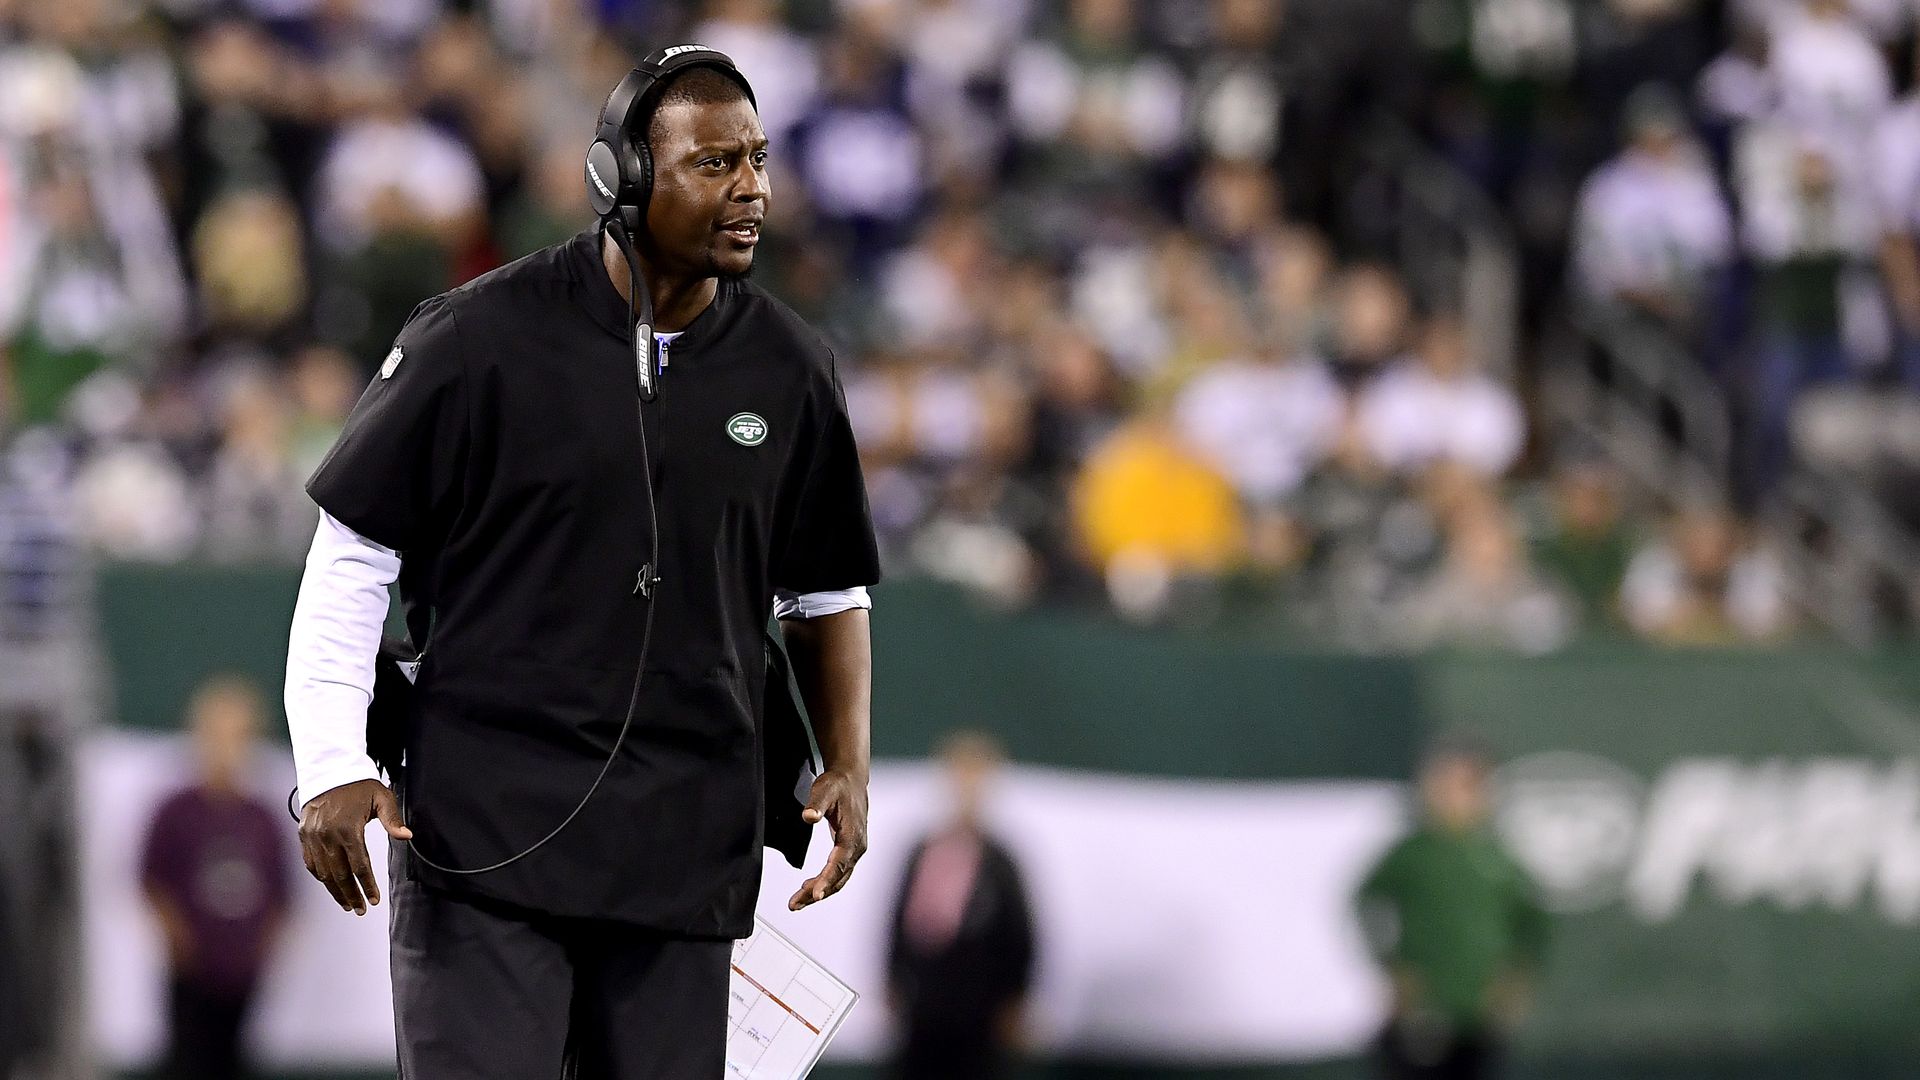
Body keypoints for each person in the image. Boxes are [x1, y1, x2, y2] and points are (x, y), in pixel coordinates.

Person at [283, 46, 881, 1078]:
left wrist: (848, 762)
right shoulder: (476, 340)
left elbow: (826, 588)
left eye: (759, 159)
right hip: (485, 831)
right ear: (624, 181)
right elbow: (353, 552)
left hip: (685, 844)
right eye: (714, 164)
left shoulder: (792, 369)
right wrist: (331, 762)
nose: (753, 190)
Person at [1354, 735, 1547, 1080]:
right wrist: (1390, 967)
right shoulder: (1412, 854)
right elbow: (1365, 902)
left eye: (1466, 786)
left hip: (1479, 1011)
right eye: (1444, 784)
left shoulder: (1498, 859)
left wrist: (1516, 982)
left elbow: (1535, 925)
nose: (1453, 797)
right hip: (1423, 1008)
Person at [139, 675, 293, 1080]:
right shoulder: (176, 812)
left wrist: (260, 950)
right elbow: (152, 880)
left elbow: (282, 894)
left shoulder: (261, 819)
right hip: (192, 972)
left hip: (242, 972)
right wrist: (178, 941)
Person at [885, 731, 1036, 1080]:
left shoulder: (1001, 863)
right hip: (924, 1005)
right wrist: (891, 977)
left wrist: (1016, 998)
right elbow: (897, 920)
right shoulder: (922, 852)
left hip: (981, 1009)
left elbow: (1022, 934)